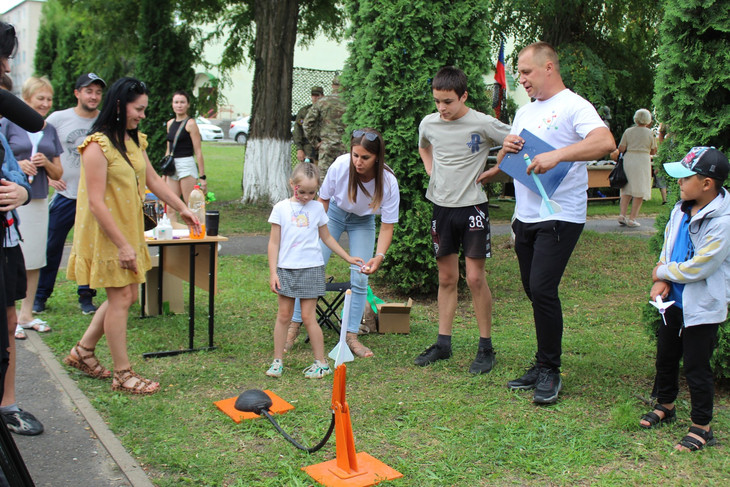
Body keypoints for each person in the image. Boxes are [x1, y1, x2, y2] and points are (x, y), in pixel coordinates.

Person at [489, 42, 615, 404]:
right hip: (525, 216)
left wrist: (556, 155)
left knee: (543, 289)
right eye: (519, 74)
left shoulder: (574, 105)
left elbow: (603, 141)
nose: (522, 80)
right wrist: (505, 150)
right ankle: (543, 361)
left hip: (560, 214)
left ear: (549, 67)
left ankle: (550, 371)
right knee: (533, 290)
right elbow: (505, 161)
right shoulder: (525, 111)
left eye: (526, 72)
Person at [64, 78, 201, 395]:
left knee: (125, 297)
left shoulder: (134, 141)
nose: (142, 115)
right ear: (119, 105)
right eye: (138, 109)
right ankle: (122, 374)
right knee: (122, 299)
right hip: (110, 235)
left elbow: (153, 179)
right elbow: (96, 203)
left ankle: (83, 351)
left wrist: (184, 208)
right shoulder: (96, 146)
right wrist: (123, 245)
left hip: (130, 229)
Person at [414, 66, 511, 374]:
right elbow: (423, 145)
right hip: (441, 209)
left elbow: (516, 141)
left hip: (473, 208)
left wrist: (497, 170)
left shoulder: (483, 123)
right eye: (437, 101)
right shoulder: (429, 123)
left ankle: (486, 348)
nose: (441, 108)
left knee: (474, 278)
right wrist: (431, 170)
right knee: (446, 278)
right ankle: (443, 344)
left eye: (448, 102)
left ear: (464, 96)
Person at [643, 146, 730, 452]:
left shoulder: (723, 221)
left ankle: (702, 426)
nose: (677, 183)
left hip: (702, 307)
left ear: (707, 184)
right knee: (666, 357)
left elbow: (701, 266)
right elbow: (668, 245)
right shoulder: (680, 209)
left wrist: (662, 272)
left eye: (685, 178)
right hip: (673, 302)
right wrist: (662, 279)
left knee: (696, 366)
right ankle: (665, 405)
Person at [287, 128, 400, 357]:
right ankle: (294, 325)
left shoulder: (388, 181)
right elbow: (323, 201)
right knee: (311, 269)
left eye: (365, 157)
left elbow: (387, 226)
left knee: (360, 276)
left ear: (377, 157)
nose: (358, 162)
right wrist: (311, 235)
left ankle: (351, 335)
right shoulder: (340, 166)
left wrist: (379, 256)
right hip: (334, 215)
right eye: (355, 155)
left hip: (363, 221)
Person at [266, 162, 363, 379]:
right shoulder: (280, 208)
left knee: (309, 317)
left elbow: (326, 237)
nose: (307, 196)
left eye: (312, 192)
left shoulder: (318, 208)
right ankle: (277, 361)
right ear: (292, 185)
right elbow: (273, 243)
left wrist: (347, 257)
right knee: (284, 316)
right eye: (302, 191)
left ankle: (321, 363)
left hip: (311, 269)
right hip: (286, 269)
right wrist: (273, 273)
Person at [34, 72, 106, 316]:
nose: (94, 96)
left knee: (88, 249)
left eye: (97, 92)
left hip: (94, 198)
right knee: (51, 246)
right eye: (89, 91)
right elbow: (39, 145)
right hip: (66, 196)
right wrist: (49, 176)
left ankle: (86, 297)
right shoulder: (58, 118)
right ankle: (40, 296)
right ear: (78, 93)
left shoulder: (104, 121)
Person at [0, 76, 63, 340]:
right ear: (26, 99)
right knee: (15, 257)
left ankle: (26, 315)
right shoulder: (8, 122)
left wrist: (45, 163)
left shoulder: (48, 129)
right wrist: (20, 164)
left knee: (36, 257)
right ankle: (10, 316)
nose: (45, 104)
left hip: (37, 196)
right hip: (11, 199)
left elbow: (60, 172)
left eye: (49, 99)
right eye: (40, 98)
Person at [0, 102, 41, 435]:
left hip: (7, 238)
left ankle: (7, 404)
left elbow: (18, 179)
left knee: (9, 319)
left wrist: (21, 192)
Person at [165, 90, 207, 210]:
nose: (179, 105)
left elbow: (198, 151)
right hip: (172, 165)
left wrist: (202, 177)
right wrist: (164, 172)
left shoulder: (191, 124)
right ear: (172, 104)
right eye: (176, 102)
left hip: (186, 164)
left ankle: (195, 229)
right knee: (170, 206)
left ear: (188, 104)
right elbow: (168, 149)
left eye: (182, 102)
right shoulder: (170, 123)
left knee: (190, 205)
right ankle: (172, 228)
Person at [615, 108, 658, 227]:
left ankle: (622, 214)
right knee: (640, 189)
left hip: (629, 159)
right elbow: (654, 150)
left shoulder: (628, 131)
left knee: (626, 188)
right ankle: (632, 218)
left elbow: (621, 148)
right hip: (643, 160)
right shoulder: (650, 133)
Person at [303, 76, 346, 180]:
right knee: (344, 179)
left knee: (324, 181)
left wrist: (315, 143)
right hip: (345, 148)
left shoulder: (322, 102)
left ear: (332, 86)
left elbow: (307, 123)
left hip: (326, 147)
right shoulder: (351, 102)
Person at [293, 86, 324, 163]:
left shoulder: (326, 111)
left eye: (318, 95)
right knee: (307, 171)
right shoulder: (304, 111)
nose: (315, 98)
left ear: (322, 96)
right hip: (308, 146)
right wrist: (299, 149)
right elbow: (298, 130)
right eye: (313, 95)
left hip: (323, 145)